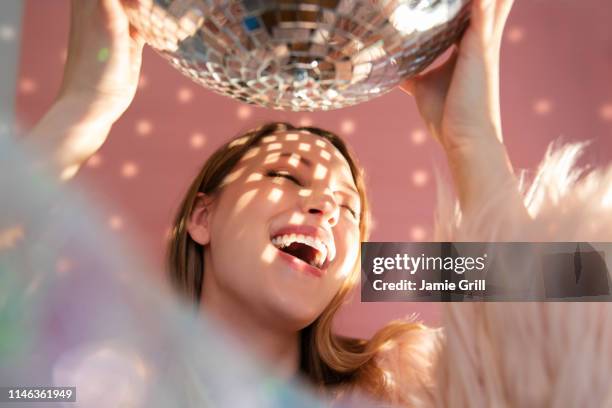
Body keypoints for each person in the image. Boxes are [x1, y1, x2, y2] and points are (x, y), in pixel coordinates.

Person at [26, 0, 531, 405]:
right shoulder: (95, 382)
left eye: (349, 209)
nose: (326, 210)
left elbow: (576, 327)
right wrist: (84, 109)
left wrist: (473, 140)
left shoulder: (402, 383)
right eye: (285, 175)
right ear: (203, 217)